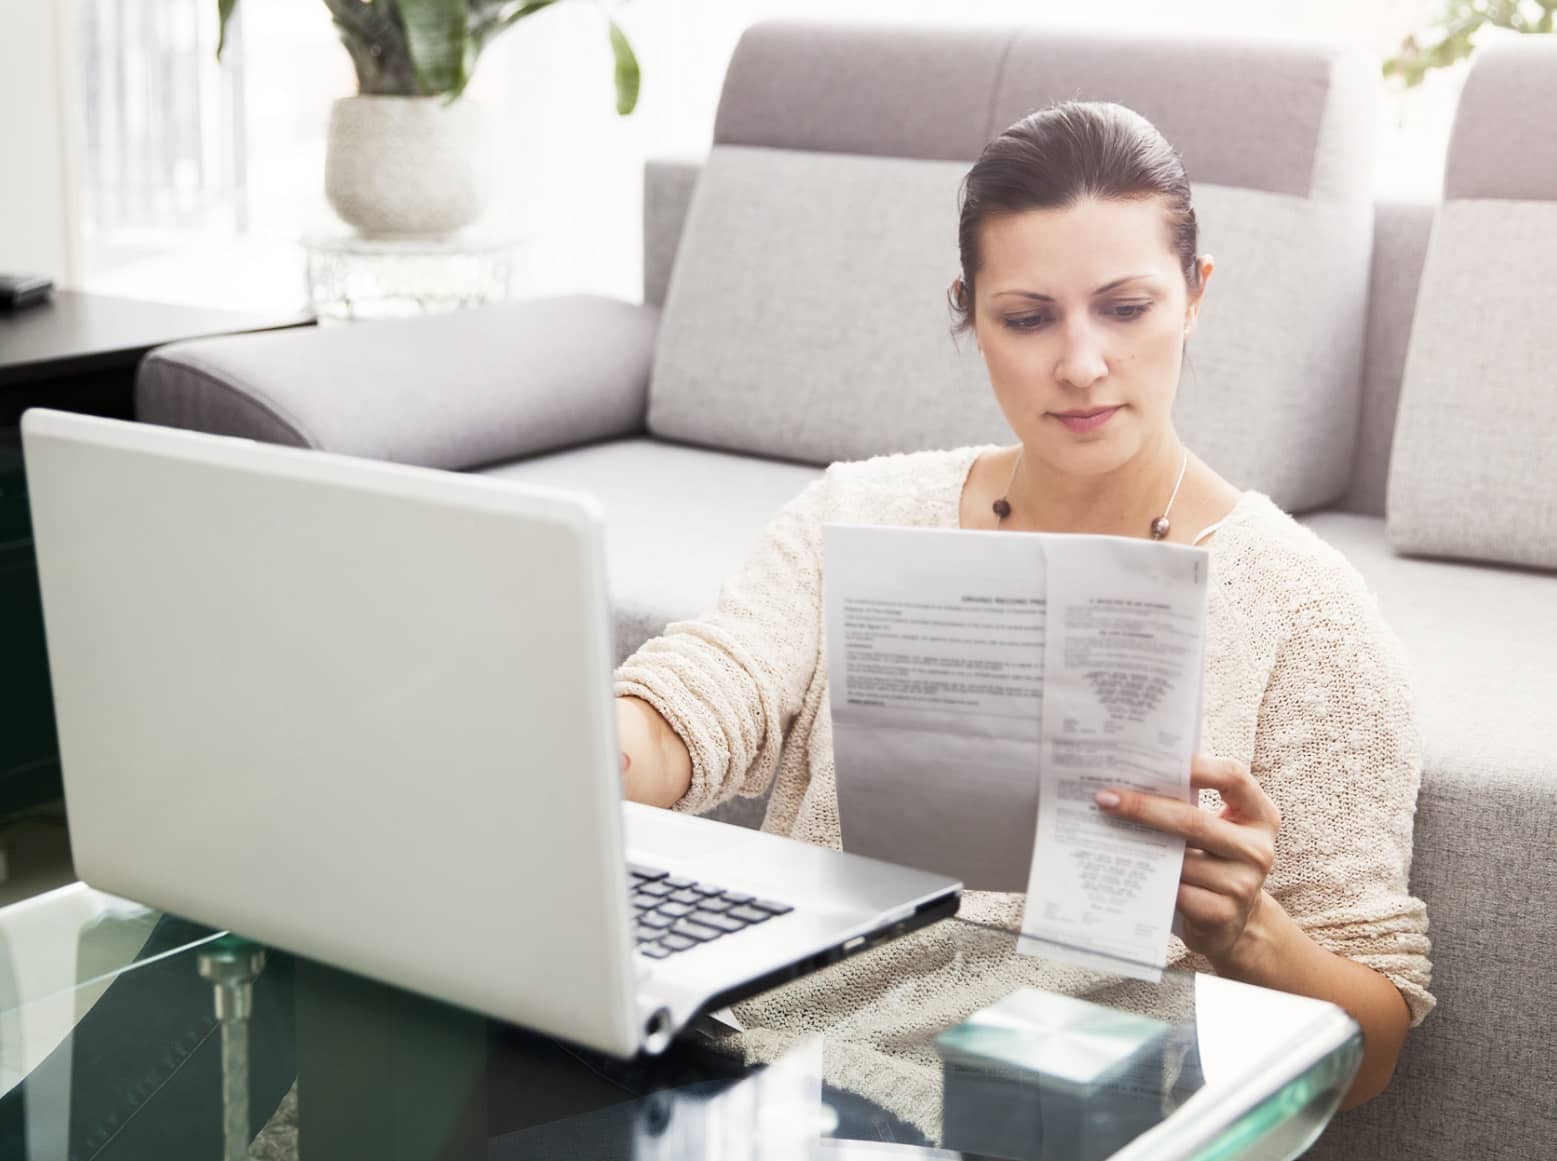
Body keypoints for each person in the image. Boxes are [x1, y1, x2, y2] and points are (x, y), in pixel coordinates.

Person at [611, 100, 1433, 1123]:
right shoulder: (860, 511)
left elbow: (1376, 1053)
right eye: (1028, 316)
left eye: (1125, 308)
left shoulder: (1308, 614)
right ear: (969, 313)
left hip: (1045, 1115)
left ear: (1195, 294)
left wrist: (1247, 931)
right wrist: (607, 744)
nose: (1081, 365)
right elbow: (713, 689)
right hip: (766, 1077)